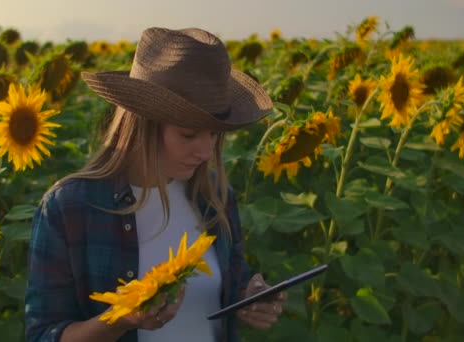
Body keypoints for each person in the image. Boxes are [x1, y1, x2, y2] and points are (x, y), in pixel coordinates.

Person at [24, 27, 288, 342]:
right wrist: (120, 320)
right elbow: (42, 334)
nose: (205, 153)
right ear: (142, 126)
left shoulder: (213, 196)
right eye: (188, 135)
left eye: (214, 134)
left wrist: (250, 294)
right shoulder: (70, 207)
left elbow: (233, 277)